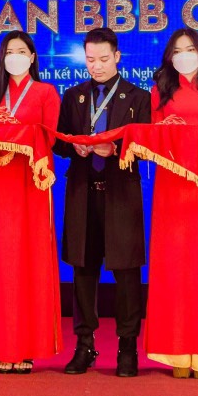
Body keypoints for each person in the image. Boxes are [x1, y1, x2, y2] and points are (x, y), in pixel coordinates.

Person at [54, 27, 150, 377]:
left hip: (121, 193)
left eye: (104, 59)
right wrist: (75, 146)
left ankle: (127, 347)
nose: (96, 66)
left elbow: (147, 147)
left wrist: (117, 149)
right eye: (90, 59)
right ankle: (85, 345)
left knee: (126, 272)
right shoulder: (73, 96)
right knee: (83, 270)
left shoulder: (138, 97)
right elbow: (59, 142)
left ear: (117, 57)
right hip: (83, 191)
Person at [0, 31, 62, 374]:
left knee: (29, 259)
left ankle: (27, 346)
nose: (16, 56)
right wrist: (1, 133)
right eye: (10, 51)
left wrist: (15, 131)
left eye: (22, 51)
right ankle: (0, 345)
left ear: (33, 57)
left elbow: (50, 137)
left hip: (32, 181)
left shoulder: (46, 92)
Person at [145, 28, 198, 378]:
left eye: (190, 49)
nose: (184, 55)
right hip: (170, 183)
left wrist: (192, 139)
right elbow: (152, 136)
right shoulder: (159, 91)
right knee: (173, 263)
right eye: (178, 50)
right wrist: (169, 132)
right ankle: (175, 351)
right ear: (170, 56)